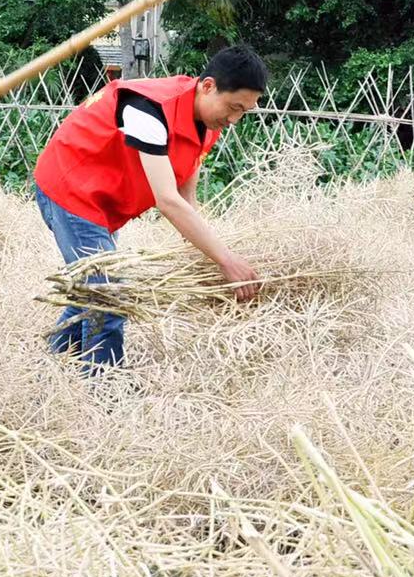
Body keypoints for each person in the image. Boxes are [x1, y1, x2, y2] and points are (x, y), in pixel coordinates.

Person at [34, 44, 268, 370]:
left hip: (103, 202)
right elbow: (167, 200)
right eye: (233, 107)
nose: (234, 119)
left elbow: (186, 198)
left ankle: (47, 365)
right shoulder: (149, 109)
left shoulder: (206, 123)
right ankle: (103, 390)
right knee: (108, 293)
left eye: (244, 111)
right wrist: (226, 261)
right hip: (71, 190)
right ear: (208, 85)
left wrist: (201, 254)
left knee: (94, 289)